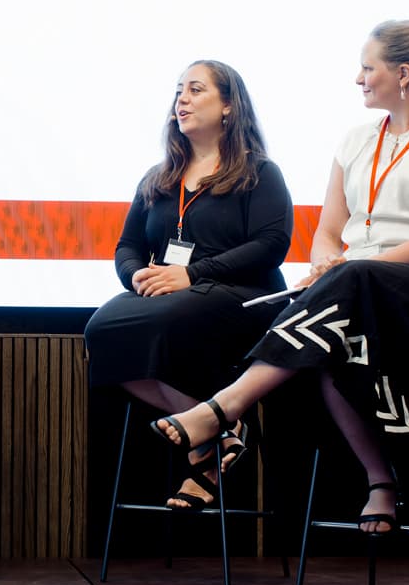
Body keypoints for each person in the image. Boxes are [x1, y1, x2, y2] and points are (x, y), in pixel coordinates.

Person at [155, 20, 409, 534]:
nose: (358, 78)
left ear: (402, 75)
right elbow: (329, 232)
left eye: (367, 68)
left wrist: (353, 268)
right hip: (360, 291)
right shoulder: (356, 140)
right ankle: (380, 481)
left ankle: (224, 407)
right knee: (328, 336)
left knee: (353, 279)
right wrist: (324, 265)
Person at [84, 60, 294, 510]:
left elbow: (271, 244)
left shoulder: (259, 172)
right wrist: (135, 275)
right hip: (172, 296)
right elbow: (128, 245)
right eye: (179, 90)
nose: (182, 99)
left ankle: (209, 437)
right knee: (101, 330)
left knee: (168, 320)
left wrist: (192, 274)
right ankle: (218, 431)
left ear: (229, 106)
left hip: (244, 295)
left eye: (196, 90)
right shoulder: (159, 178)